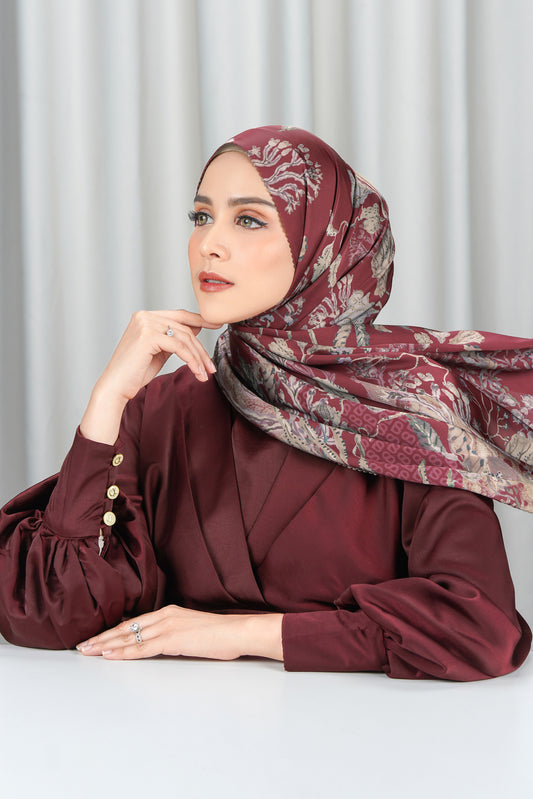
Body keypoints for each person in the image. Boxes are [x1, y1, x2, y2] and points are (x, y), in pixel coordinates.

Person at [1, 125, 532, 681]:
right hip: (170, 730)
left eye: (249, 220)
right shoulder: (160, 409)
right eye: (201, 216)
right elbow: (52, 611)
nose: (209, 244)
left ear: (324, 247)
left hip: (363, 732)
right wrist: (107, 398)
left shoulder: (412, 410)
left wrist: (242, 635)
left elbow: (478, 628)